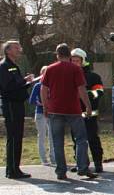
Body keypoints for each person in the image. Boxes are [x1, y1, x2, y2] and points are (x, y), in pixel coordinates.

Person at [41, 43, 96, 180]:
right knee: (81, 139)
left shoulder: (49, 69)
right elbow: (81, 90)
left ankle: (61, 171)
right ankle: (83, 167)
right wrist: (88, 106)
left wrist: (45, 106)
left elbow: (43, 89)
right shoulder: (76, 69)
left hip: (55, 110)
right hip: (73, 109)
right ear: (69, 56)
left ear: (57, 54)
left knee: (57, 141)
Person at [0, 40, 35, 179]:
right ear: (8, 50)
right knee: (14, 137)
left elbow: (17, 86)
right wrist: (23, 81)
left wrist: (27, 82)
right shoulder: (4, 66)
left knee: (18, 136)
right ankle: (12, 170)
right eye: (16, 47)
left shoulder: (14, 66)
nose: (19, 49)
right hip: (11, 105)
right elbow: (7, 87)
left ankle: (16, 168)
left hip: (18, 103)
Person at [70, 48, 104, 173]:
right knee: (76, 140)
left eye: (77, 61)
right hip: (74, 113)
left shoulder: (93, 77)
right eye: (72, 60)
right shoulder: (69, 76)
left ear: (83, 61)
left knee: (92, 139)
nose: (74, 63)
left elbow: (99, 92)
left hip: (90, 114)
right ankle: (80, 163)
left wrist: (85, 95)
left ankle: (98, 163)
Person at [28, 66, 55, 166]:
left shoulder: (53, 85)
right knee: (42, 136)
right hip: (40, 113)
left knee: (53, 136)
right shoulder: (38, 86)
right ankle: (44, 159)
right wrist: (40, 103)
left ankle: (53, 158)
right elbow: (31, 100)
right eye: (44, 73)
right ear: (41, 74)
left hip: (52, 113)